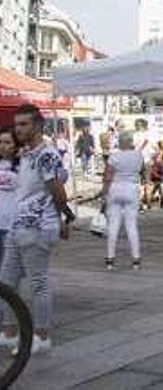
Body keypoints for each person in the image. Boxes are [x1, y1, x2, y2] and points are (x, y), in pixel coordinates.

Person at [0, 104, 74, 354]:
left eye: (24, 124)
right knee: (6, 281)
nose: (18, 128)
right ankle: (9, 333)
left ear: (38, 125)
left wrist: (65, 217)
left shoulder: (46, 154)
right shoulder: (28, 153)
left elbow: (56, 190)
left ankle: (42, 336)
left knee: (37, 282)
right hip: (18, 223)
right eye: (17, 124)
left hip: (38, 226)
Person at [102, 131, 144, 271]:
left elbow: (108, 176)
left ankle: (110, 259)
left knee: (113, 226)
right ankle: (136, 259)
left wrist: (104, 193)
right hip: (131, 189)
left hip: (115, 188)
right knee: (131, 225)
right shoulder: (138, 155)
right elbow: (142, 171)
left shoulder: (114, 156)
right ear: (131, 141)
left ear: (119, 142)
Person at [0, 128, 19, 268]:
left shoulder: (24, 166)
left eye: (7, 142)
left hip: (12, 225)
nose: (2, 146)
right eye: (0, 142)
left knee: (8, 268)